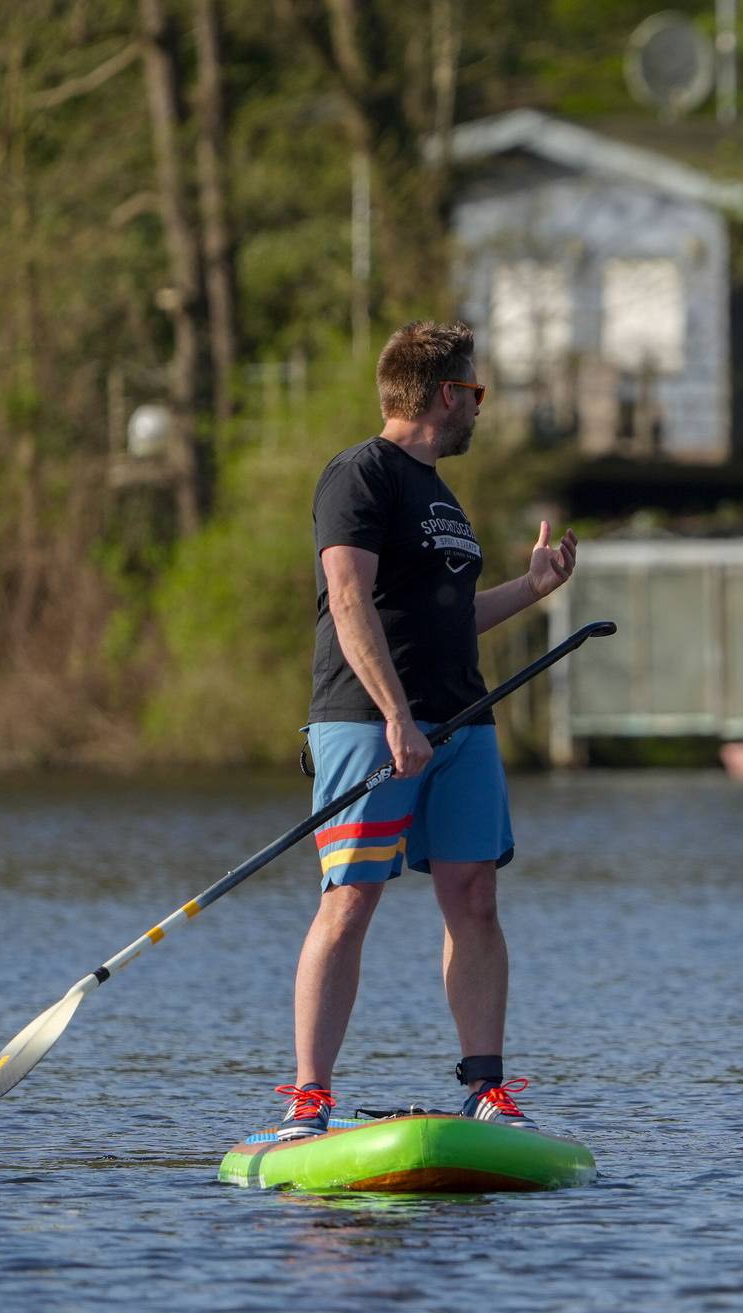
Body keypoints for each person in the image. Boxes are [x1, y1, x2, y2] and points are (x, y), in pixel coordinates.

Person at [273, 320, 577, 1138]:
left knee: (475, 897)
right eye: (476, 392)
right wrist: (397, 716)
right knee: (351, 899)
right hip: (368, 722)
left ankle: (485, 1086)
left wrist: (531, 588)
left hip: (463, 722)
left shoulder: (443, 493)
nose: (480, 409)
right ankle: (310, 1099)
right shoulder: (359, 474)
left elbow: (448, 619)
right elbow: (348, 601)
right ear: (448, 394)